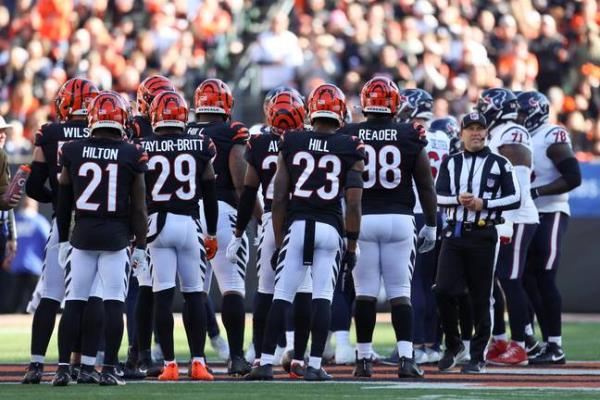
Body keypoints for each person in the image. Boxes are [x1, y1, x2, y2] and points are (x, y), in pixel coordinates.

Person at [246, 83, 365, 381]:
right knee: (322, 296)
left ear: (311, 110)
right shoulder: (351, 145)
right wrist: (351, 244)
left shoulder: (294, 140)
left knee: (282, 295)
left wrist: (281, 234)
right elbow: (353, 203)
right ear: (340, 112)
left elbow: (281, 193)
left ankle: (265, 363)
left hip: (297, 225)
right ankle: (312, 363)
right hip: (330, 227)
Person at [340, 77, 437, 378]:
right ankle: (407, 359)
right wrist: (432, 223)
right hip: (399, 219)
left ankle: (363, 359)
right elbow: (425, 182)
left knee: (365, 293)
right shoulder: (409, 133)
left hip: (362, 219)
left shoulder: (351, 133)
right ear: (395, 104)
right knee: (400, 292)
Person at [52, 91, 148, 386]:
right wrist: (142, 246)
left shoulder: (71, 149)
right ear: (122, 118)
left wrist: (64, 238)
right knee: (112, 303)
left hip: (81, 235)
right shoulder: (131, 152)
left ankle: (63, 369)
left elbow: (64, 199)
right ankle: (107, 369)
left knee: (74, 303)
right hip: (116, 237)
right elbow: (139, 207)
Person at [226, 90, 313, 377]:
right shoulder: (309, 141)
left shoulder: (260, 142)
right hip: (303, 220)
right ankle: (300, 357)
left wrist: (239, 231)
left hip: (269, 226)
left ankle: (261, 356)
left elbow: (249, 192)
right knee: (303, 290)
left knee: (266, 292)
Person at [22, 78, 101, 384]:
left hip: (63, 221)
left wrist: (57, 199)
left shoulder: (51, 132)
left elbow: (32, 185)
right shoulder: (105, 132)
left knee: (51, 295)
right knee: (87, 296)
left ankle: (36, 364)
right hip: (97, 222)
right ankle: (81, 365)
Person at [137, 91, 216, 381]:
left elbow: (136, 194)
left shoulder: (142, 145)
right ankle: (198, 362)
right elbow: (208, 191)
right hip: (188, 222)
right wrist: (210, 233)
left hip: (156, 224)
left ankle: (169, 364)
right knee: (195, 295)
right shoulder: (199, 144)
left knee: (162, 295)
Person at [435, 112, 520, 374]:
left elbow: (515, 197)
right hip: (455, 233)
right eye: (470, 128)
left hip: (484, 234)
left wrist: (485, 204)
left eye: (479, 128)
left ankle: (478, 356)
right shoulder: (450, 162)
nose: (475, 133)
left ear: (487, 133)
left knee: (481, 296)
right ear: (461, 133)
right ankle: (454, 343)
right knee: (443, 290)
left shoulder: (500, 163)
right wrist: (458, 200)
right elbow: (439, 195)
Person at [186, 78, 252, 376]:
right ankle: (236, 356)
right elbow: (239, 177)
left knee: (196, 290)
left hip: (188, 214)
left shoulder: (184, 132)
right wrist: (250, 212)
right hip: (222, 211)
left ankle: (198, 359)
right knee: (233, 288)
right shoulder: (232, 132)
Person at [476, 88, 540, 366]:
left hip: (518, 218)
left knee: (511, 280)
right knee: (497, 280)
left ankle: (521, 345)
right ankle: (502, 339)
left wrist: (508, 221)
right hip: (503, 217)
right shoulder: (499, 133)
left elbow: (521, 184)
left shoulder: (512, 132)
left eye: (485, 106)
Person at [518, 91, 581, 364]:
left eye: (520, 112)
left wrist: (536, 191)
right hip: (526, 215)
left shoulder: (550, 135)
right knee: (523, 278)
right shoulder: (516, 135)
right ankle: (532, 341)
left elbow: (573, 176)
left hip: (550, 212)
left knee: (543, 274)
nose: (516, 117)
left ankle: (555, 345)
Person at [122, 74, 175, 379]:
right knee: (142, 289)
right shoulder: (138, 128)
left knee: (148, 289)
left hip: (147, 214)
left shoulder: (137, 127)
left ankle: (138, 353)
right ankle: (136, 354)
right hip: (145, 215)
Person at [6, 197, 49, 313]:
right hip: (34, 266)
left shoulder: (14, 221)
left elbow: (7, 240)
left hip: (17, 265)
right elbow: (49, 244)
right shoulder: (39, 222)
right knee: (35, 302)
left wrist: (8, 259)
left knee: (14, 301)